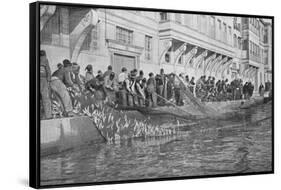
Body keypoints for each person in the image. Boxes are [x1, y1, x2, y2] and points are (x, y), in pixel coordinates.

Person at [40, 50, 52, 119]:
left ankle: (46, 115)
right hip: (43, 80)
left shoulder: (45, 60)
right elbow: (48, 71)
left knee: (45, 98)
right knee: (45, 98)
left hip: (42, 79)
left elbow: (48, 71)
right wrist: (48, 81)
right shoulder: (45, 60)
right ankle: (47, 115)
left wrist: (48, 80)